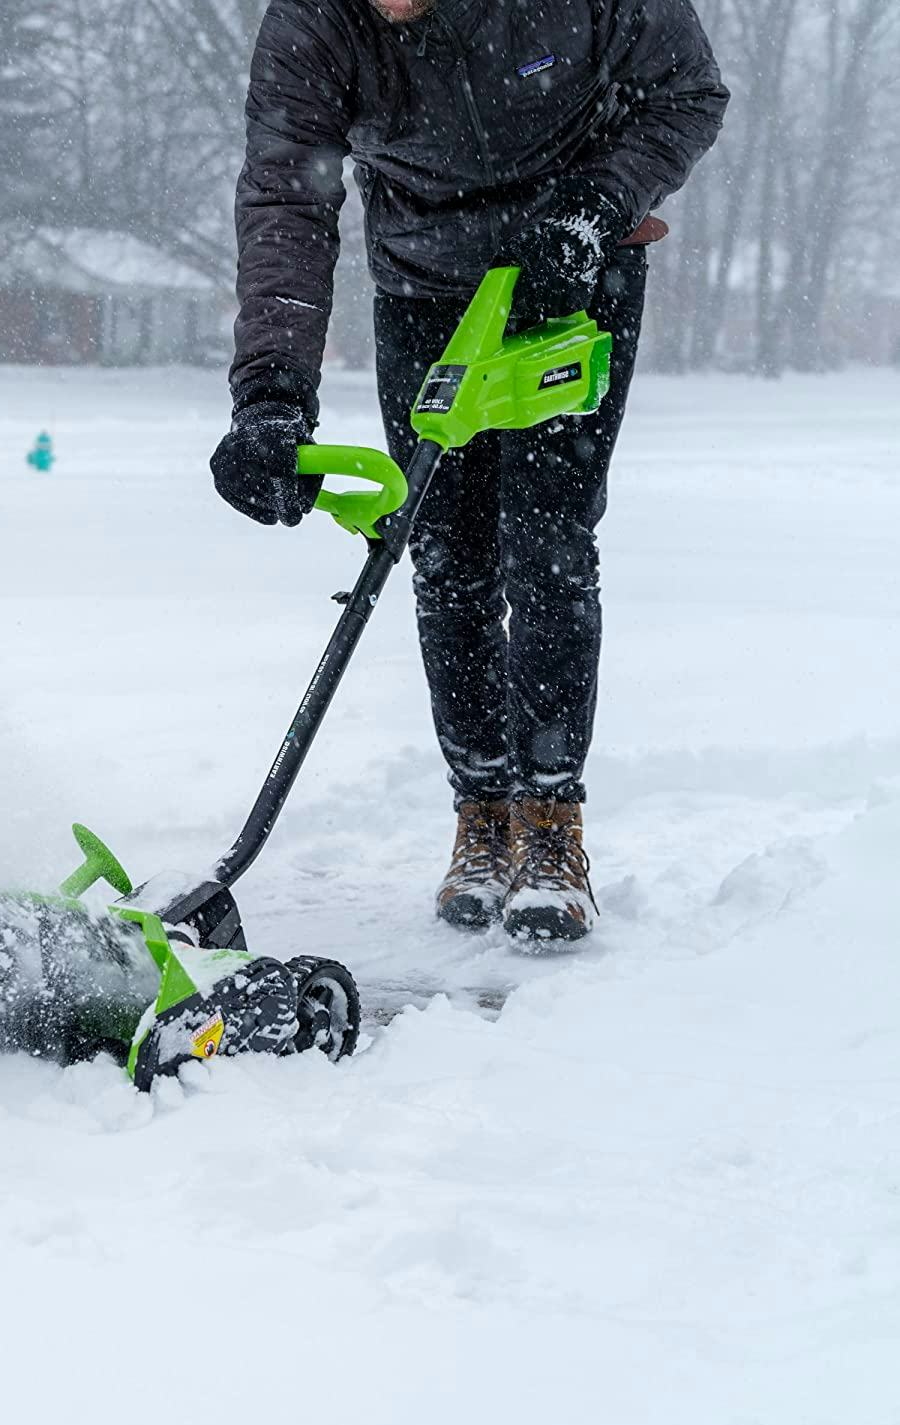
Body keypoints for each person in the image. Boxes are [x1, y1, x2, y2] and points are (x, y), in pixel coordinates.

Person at [211, 0, 727, 945]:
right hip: (424, 284)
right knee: (443, 552)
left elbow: (687, 93)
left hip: (572, 271)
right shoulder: (315, 23)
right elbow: (288, 198)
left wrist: (592, 207)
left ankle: (551, 823)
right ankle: (483, 811)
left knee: (552, 546)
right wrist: (273, 399)